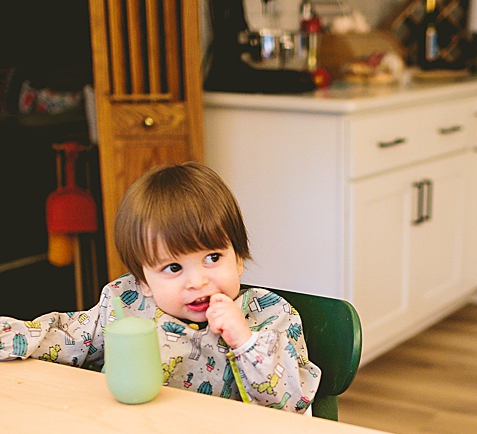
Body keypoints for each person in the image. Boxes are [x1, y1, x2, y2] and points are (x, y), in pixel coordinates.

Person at [0, 162, 320, 413]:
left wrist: (245, 342)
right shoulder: (125, 306)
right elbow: (64, 336)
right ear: (143, 282)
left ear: (238, 258)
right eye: (173, 267)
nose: (197, 282)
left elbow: (291, 406)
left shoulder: (271, 317)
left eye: (212, 257)